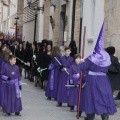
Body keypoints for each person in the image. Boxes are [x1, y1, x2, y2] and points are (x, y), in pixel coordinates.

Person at [79, 23, 116, 120]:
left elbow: (83, 67)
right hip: (104, 80)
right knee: (103, 97)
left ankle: (90, 116)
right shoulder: (107, 58)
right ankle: (105, 116)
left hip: (92, 80)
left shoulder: (92, 57)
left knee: (91, 97)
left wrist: (82, 62)